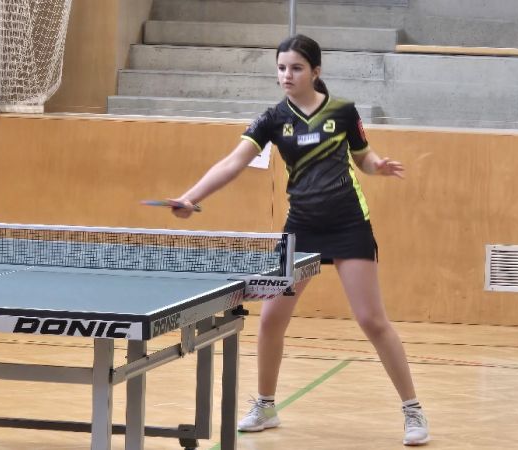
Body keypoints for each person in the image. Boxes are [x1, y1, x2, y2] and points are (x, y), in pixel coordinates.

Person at [169, 34, 430, 447]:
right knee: (272, 318)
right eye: (281, 68)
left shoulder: (342, 111)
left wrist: (377, 165)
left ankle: (412, 410)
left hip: (348, 224)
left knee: (371, 320)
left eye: (295, 68)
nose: (286, 75)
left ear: (315, 71)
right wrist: (191, 197)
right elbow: (234, 162)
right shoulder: (273, 119)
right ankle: (266, 406)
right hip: (302, 228)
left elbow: (363, 157)